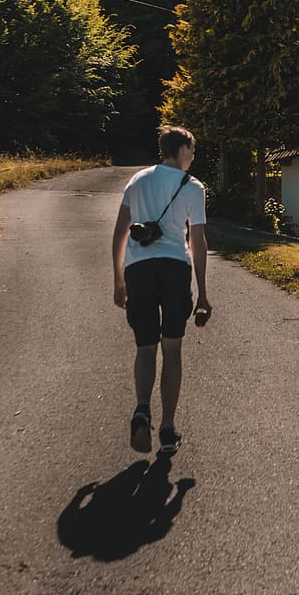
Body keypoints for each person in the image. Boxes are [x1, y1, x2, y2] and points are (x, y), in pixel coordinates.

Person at [112, 125, 211, 456]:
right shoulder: (193, 188)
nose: (193, 157)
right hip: (174, 269)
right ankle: (167, 429)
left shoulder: (137, 181)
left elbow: (119, 233)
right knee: (172, 350)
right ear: (182, 149)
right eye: (192, 151)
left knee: (144, 348)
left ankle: (142, 408)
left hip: (138, 270)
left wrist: (118, 279)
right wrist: (203, 293)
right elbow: (197, 241)